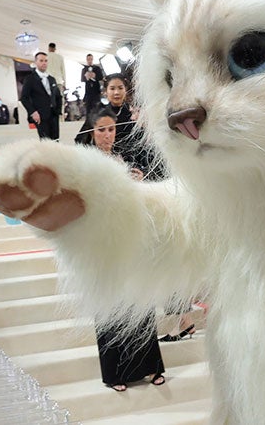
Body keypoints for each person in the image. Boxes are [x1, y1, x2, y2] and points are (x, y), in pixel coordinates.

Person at [84, 109, 165, 392]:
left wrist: (138, 183)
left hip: (130, 238)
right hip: (102, 242)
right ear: (91, 133)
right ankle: (115, 372)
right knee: (110, 303)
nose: (108, 135)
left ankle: (151, 366)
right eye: (101, 130)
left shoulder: (124, 159)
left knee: (139, 300)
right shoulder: (85, 164)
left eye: (111, 129)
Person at [20, 52, 62, 140]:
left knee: (56, 140)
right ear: (36, 62)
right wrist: (33, 112)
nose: (44, 63)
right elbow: (24, 98)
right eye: (41, 60)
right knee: (45, 141)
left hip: (53, 115)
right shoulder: (30, 79)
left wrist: (58, 111)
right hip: (40, 115)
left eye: (46, 61)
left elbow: (58, 96)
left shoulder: (51, 79)